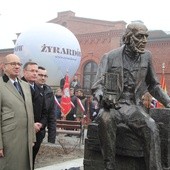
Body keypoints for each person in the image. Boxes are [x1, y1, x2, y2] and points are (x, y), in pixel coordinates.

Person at [91, 22, 170, 170]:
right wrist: (103, 97)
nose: (144, 40)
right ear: (128, 37)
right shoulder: (110, 56)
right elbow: (97, 85)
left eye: (146, 36)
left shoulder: (147, 57)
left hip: (134, 107)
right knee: (105, 119)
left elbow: (153, 85)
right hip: (113, 106)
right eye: (140, 36)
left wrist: (168, 102)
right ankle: (109, 165)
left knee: (151, 127)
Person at [0, 54, 35, 170]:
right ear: (3, 66)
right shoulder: (1, 85)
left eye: (19, 64)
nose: (17, 66)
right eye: (13, 64)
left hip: (26, 138)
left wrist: (32, 137)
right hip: (9, 139)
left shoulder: (25, 86)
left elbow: (30, 112)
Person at [22, 61, 48, 169]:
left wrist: (40, 125)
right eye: (32, 71)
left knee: (31, 161)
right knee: (21, 161)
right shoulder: (17, 87)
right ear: (24, 72)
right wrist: (30, 124)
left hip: (38, 133)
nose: (35, 73)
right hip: (22, 131)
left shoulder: (40, 89)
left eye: (36, 71)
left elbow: (45, 112)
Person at [35, 66, 56, 144]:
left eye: (45, 76)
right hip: (26, 131)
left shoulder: (49, 92)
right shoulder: (27, 88)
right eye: (40, 75)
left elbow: (51, 115)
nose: (43, 78)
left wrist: (51, 137)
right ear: (35, 74)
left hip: (40, 132)